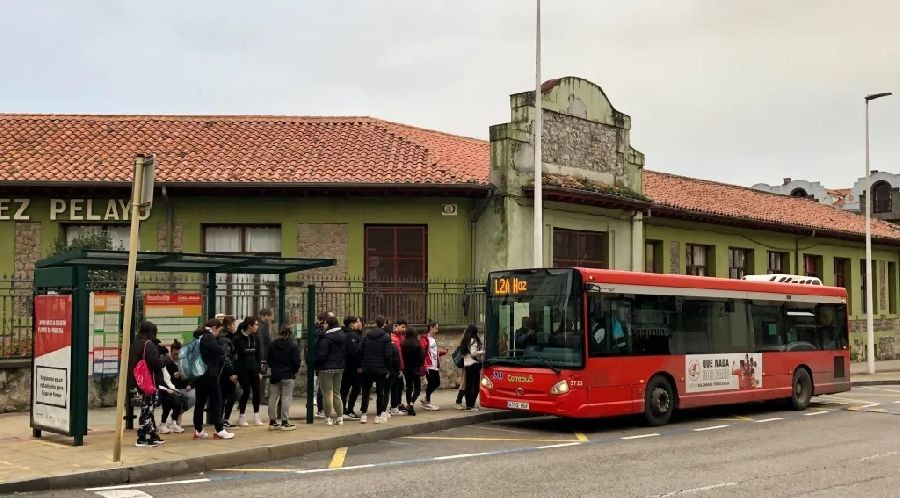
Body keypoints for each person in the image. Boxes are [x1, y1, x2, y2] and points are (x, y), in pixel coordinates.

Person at [193, 319, 234, 440]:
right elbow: (219, 351)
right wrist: (223, 348)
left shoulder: (199, 336)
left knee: (200, 403)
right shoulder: (208, 337)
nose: (218, 333)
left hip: (199, 374)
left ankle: (198, 430)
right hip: (209, 375)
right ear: (215, 327)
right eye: (219, 330)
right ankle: (219, 430)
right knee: (217, 402)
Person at [129, 321, 166, 447]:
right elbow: (156, 363)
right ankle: (142, 437)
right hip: (148, 382)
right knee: (147, 409)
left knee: (148, 409)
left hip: (138, 380)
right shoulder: (148, 344)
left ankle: (153, 435)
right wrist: (165, 359)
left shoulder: (135, 343)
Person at [358, 317, 394, 424]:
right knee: (380, 392)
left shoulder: (367, 336)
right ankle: (378, 415)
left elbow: (359, 350)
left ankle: (363, 414)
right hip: (381, 369)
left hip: (367, 368)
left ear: (375, 323)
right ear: (384, 324)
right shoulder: (386, 337)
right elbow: (388, 355)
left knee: (366, 391)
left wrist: (362, 363)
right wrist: (388, 368)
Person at [315, 315, 347, 426]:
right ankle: (340, 417)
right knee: (337, 393)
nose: (323, 325)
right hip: (339, 367)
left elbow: (322, 355)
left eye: (324, 323)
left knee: (327, 394)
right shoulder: (343, 335)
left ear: (328, 324)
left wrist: (315, 363)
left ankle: (328, 418)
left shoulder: (326, 338)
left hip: (326, 368)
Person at [267, 324, 301, 431]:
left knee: (273, 397)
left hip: (275, 374)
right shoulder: (292, 346)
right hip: (288, 374)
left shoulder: (272, 344)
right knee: (286, 398)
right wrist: (293, 371)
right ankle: (284, 422)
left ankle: (272, 422)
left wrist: (274, 368)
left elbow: (269, 360)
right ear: (290, 333)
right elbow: (296, 362)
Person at [234, 317, 264, 426]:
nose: (257, 327)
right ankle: (242, 416)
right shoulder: (238, 338)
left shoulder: (256, 337)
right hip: (242, 369)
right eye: (255, 324)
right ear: (249, 325)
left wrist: (259, 371)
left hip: (254, 369)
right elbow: (236, 355)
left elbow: (258, 355)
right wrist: (234, 372)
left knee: (257, 392)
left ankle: (256, 416)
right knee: (246, 391)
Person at [157, 344, 185, 434]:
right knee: (168, 399)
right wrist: (166, 390)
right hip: (157, 390)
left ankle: (173, 423)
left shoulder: (163, 366)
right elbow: (156, 382)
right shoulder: (155, 367)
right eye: (165, 356)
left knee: (178, 397)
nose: (167, 358)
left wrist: (173, 389)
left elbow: (167, 380)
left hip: (166, 389)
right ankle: (162, 424)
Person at [218, 316, 240, 428]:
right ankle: (223, 419)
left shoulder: (228, 337)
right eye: (233, 324)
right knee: (231, 395)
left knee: (228, 396)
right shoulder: (225, 339)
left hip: (224, 371)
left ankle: (222, 419)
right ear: (228, 326)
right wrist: (231, 373)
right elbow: (226, 357)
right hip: (225, 373)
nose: (235, 326)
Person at [418, 321, 446, 411]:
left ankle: (426, 398)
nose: (437, 330)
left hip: (434, 365)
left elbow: (433, 351)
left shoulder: (433, 339)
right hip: (428, 365)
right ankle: (427, 400)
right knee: (431, 383)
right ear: (431, 328)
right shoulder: (424, 338)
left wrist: (441, 353)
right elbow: (422, 351)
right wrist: (423, 364)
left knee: (437, 382)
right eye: (436, 328)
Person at [341, 316, 364, 419]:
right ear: (351, 324)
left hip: (346, 365)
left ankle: (343, 410)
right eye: (356, 322)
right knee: (355, 387)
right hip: (352, 367)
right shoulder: (352, 335)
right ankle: (348, 410)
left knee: (344, 389)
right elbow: (354, 351)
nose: (357, 324)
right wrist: (359, 365)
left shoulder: (344, 333)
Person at [460, 324, 485, 411]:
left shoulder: (465, 340)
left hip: (467, 365)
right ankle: (471, 405)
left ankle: (468, 405)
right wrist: (483, 352)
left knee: (468, 386)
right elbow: (473, 353)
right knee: (475, 386)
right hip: (473, 365)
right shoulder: (473, 340)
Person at [401, 327, 425, 416]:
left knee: (409, 388)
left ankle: (409, 407)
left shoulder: (403, 344)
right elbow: (422, 357)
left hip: (406, 369)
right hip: (416, 369)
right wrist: (420, 365)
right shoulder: (417, 344)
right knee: (417, 389)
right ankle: (411, 404)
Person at [389, 319, 408, 416]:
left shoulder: (400, 337)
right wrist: (401, 368)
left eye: (405, 327)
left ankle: (397, 404)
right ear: (396, 326)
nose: (404, 329)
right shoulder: (395, 339)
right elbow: (399, 356)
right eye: (402, 327)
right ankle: (394, 407)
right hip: (396, 368)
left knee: (399, 386)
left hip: (398, 367)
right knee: (396, 387)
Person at [256, 309, 274, 373]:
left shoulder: (264, 325)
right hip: (263, 356)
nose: (271, 318)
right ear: (264, 316)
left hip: (264, 354)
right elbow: (261, 342)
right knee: (262, 373)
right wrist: (262, 358)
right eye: (269, 316)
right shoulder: (261, 326)